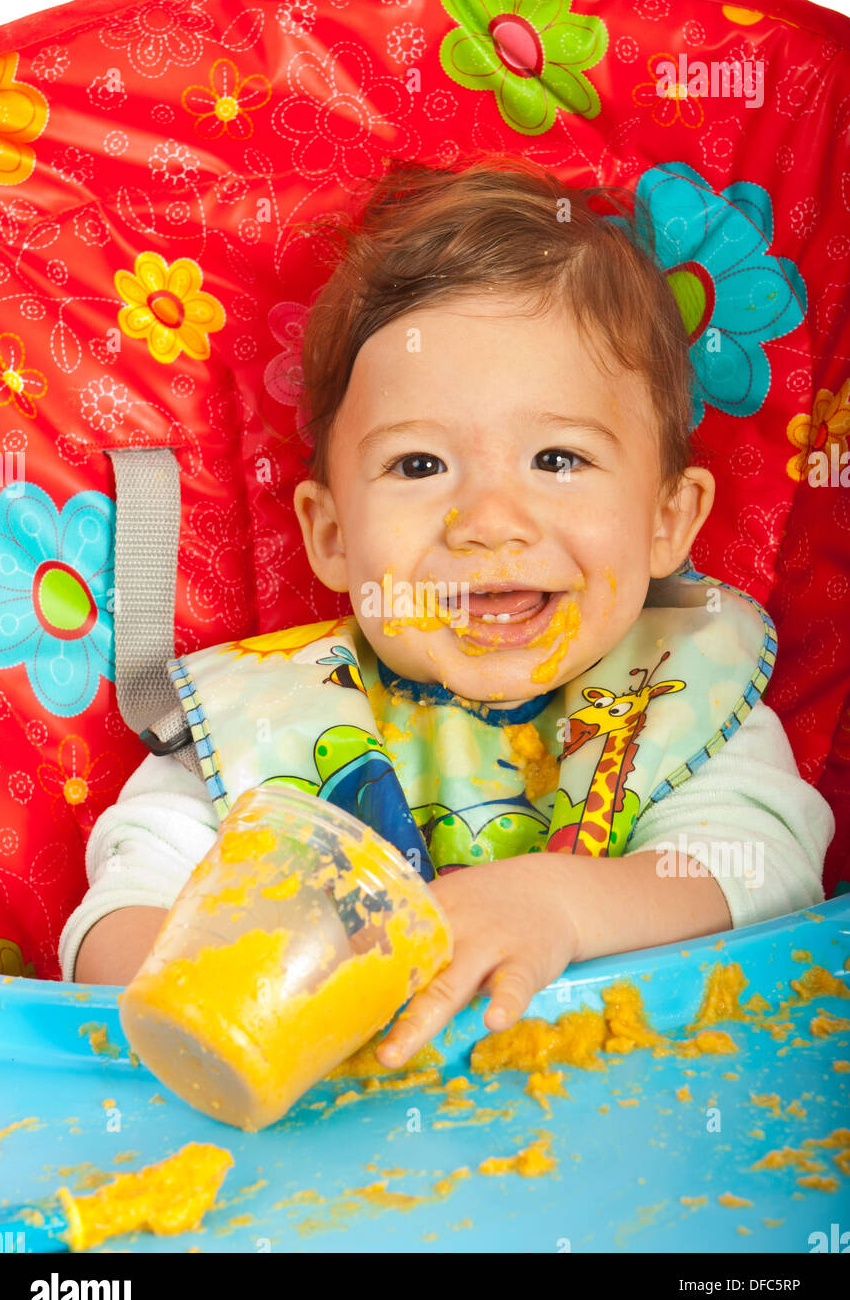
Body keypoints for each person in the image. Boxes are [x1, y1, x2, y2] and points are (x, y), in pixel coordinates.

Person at [59, 156, 834, 1071]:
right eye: (420, 467)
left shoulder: (682, 696)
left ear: (668, 519)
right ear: (334, 533)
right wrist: (230, 995)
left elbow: (767, 872)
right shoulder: (261, 722)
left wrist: (558, 906)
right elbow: (117, 910)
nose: (491, 524)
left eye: (558, 458)